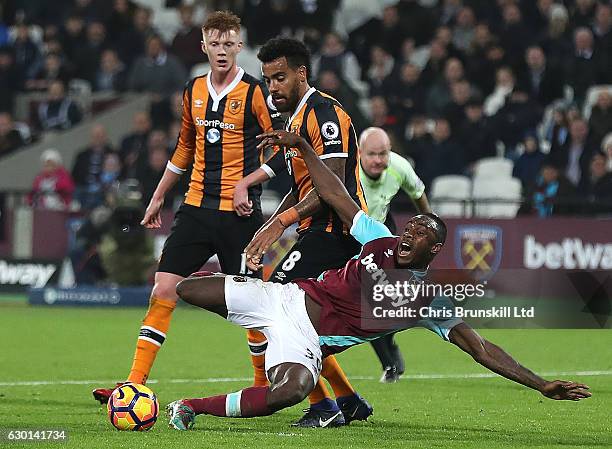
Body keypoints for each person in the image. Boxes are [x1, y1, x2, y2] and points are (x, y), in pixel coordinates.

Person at [166, 128, 591, 430]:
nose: (410, 233)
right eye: (410, 228)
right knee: (186, 289)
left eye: (421, 233)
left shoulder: (428, 300)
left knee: (292, 390)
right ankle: (247, 301)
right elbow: (336, 195)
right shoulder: (379, 239)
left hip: (307, 340)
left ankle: (190, 407)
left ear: (434, 250)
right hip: (283, 299)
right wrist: (303, 149)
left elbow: (481, 348)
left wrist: (539, 384)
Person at [92, 11, 282, 405]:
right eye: (215, 44)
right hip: (195, 208)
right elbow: (185, 148)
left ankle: (262, 386)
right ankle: (133, 383)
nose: (222, 51)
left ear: (240, 46)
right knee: (163, 288)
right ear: (203, 47)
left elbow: (279, 148)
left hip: (240, 216)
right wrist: (159, 194)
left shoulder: (254, 93)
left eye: (229, 44)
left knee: (254, 303)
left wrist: (247, 183)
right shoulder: (192, 88)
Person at [232, 37, 372, 428]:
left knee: (278, 307)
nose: (273, 87)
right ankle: (346, 400)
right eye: (267, 80)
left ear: (301, 74)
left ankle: (325, 406)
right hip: (316, 231)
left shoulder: (324, 113)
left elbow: (334, 189)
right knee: (297, 316)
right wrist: (270, 227)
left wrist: (280, 222)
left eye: (279, 78)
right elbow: (302, 186)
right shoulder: (295, 119)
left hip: (337, 232)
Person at [358, 127, 431, 383]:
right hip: (351, 236)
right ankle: (389, 364)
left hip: (384, 233)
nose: (379, 160)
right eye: (372, 154)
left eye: (383, 154)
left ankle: (389, 342)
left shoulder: (399, 167)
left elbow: (418, 194)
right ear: (359, 154)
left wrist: (428, 229)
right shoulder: (346, 171)